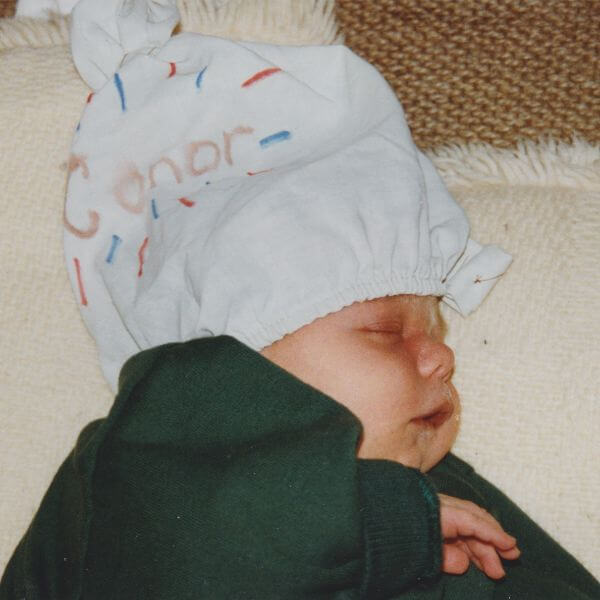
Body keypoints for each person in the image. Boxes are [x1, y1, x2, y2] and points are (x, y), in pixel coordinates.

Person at [1, 0, 599, 598]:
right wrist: (386, 526)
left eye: (437, 335)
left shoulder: (441, 494)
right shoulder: (138, 466)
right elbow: (180, 557)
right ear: (233, 362)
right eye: (385, 331)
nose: (442, 359)